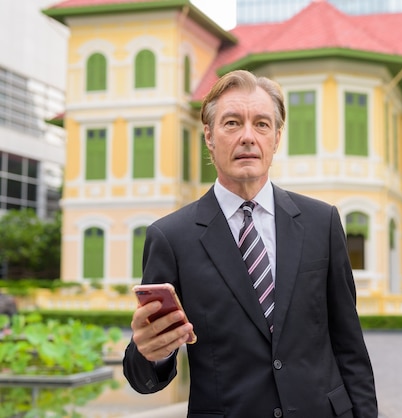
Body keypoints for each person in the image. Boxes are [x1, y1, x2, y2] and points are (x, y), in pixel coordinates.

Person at [123, 69, 378, 418]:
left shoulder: (323, 223)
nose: (248, 136)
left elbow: (350, 347)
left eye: (261, 124)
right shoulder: (170, 237)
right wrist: (155, 352)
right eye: (232, 123)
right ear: (209, 136)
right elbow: (142, 374)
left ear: (276, 137)